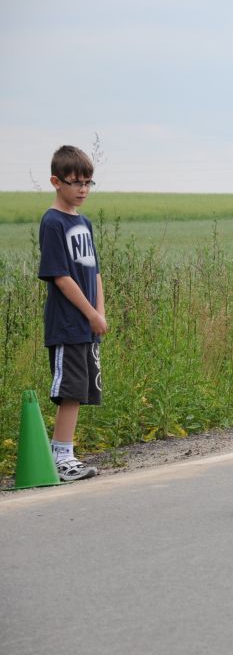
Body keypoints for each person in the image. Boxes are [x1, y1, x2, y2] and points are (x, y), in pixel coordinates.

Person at [37, 146, 105, 482]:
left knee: (81, 389)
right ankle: (61, 457)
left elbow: (95, 273)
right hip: (67, 323)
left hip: (87, 323)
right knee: (70, 390)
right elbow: (61, 276)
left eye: (88, 183)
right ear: (55, 181)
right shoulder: (53, 222)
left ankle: (66, 452)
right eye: (75, 182)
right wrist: (90, 313)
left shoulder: (84, 222)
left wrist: (100, 313)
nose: (82, 189)